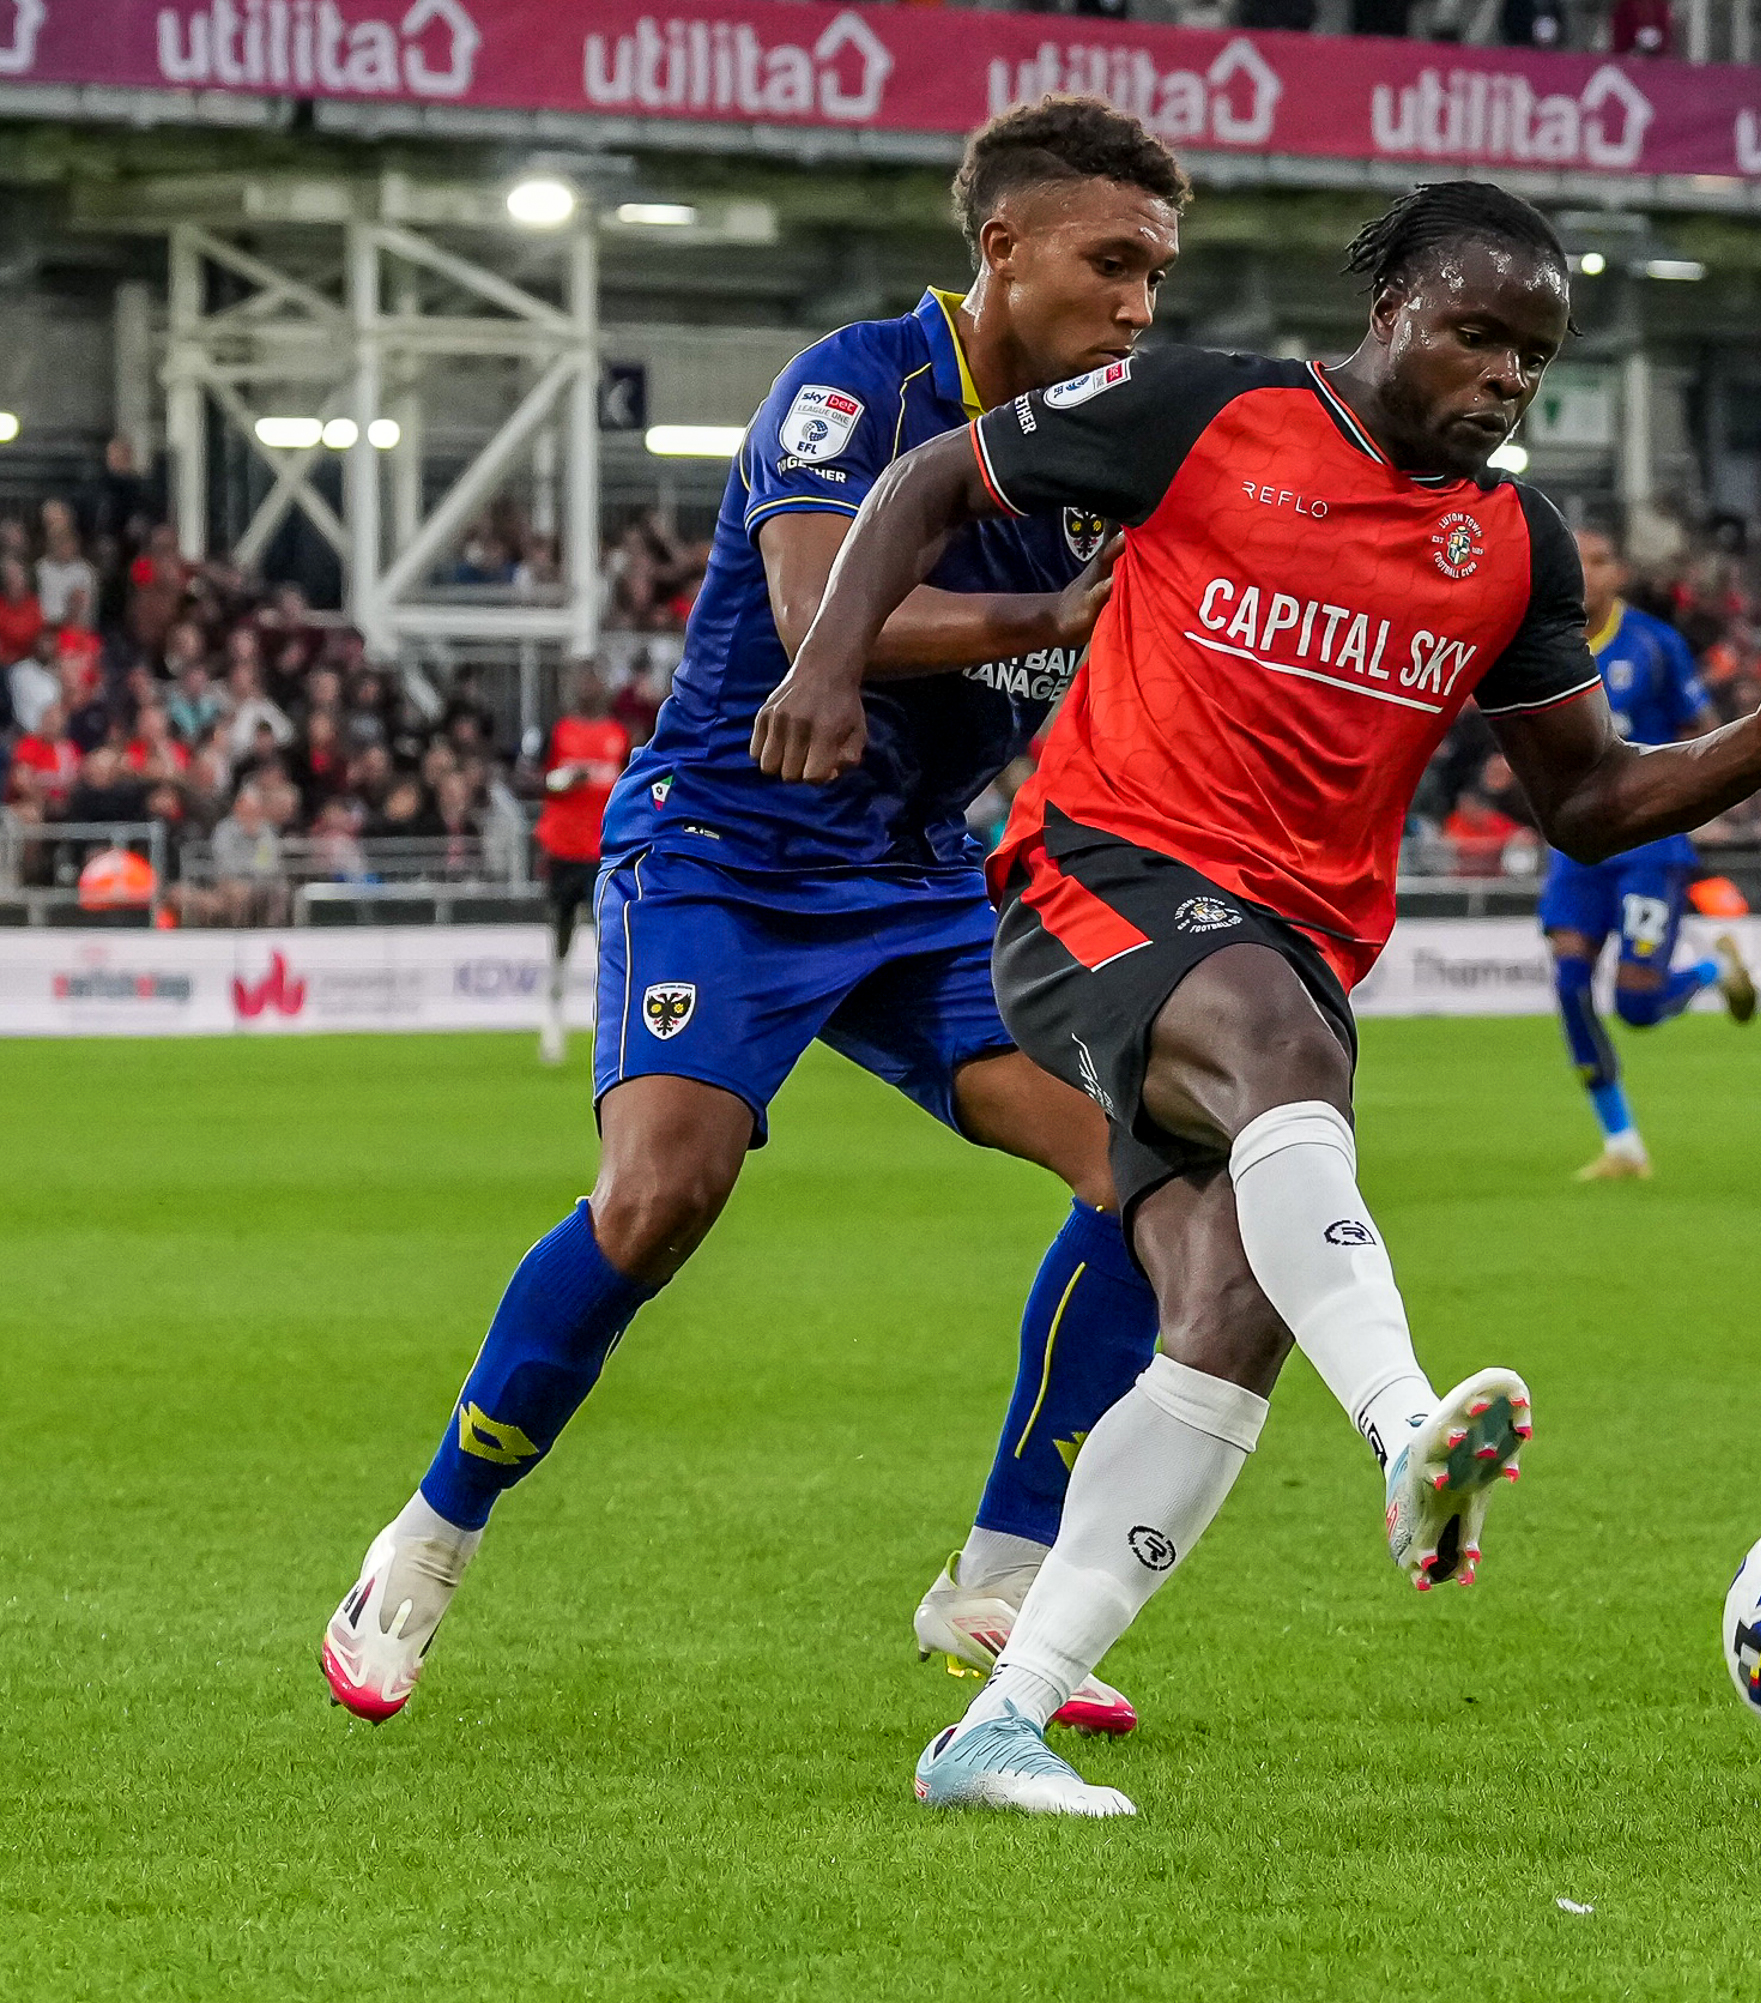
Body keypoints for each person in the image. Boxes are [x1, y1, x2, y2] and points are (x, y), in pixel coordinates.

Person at [757, 179, 1761, 1817]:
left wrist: (1751, 746)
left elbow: (1586, 797)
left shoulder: (1514, 547)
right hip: (1094, 876)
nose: (1506, 374)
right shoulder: (1208, 408)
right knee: (1280, 1046)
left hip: (1289, 936)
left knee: (1226, 1309)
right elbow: (923, 478)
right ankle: (1404, 1439)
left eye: (1535, 352)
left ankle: (997, 1720)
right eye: (1477, 330)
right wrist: (827, 656)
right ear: (1392, 310)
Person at [319, 98, 1194, 1739]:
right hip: (724, 849)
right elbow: (819, 611)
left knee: (1150, 1167)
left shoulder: (1111, 447)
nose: (1141, 303)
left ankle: (998, 1569)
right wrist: (1057, 613)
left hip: (923, 882)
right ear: (1003, 246)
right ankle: (425, 1540)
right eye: (1114, 262)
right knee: (662, 1197)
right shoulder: (854, 386)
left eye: (1159, 270)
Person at [1538, 526, 1756, 1181]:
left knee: (1635, 1006)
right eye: (1574, 561)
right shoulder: (1543, 644)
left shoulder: (1656, 646)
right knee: (1571, 982)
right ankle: (1623, 1143)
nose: (1585, 572)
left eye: (1598, 559)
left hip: (1649, 841)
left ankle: (1712, 974)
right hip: (1576, 840)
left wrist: (1699, 809)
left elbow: (1699, 735)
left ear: (1620, 573)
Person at [534, 668, 627, 1065]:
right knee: (560, 938)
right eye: (584, 680)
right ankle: (552, 1028)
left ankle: (608, 1031)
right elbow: (536, 780)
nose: (590, 687)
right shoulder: (560, 732)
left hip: (602, 852)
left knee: (608, 944)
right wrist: (563, 779)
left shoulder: (619, 736)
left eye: (595, 680)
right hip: (562, 850)